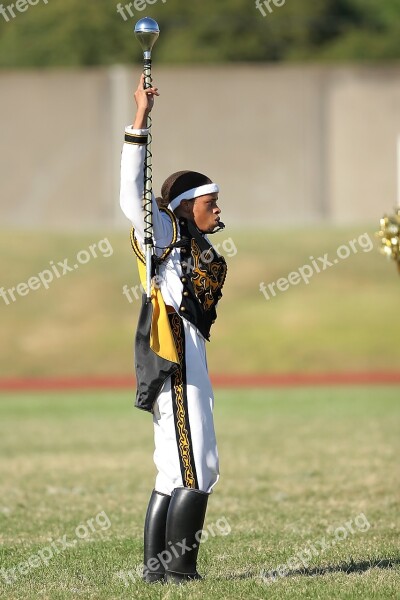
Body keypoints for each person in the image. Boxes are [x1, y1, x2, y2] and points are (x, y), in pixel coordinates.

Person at [119, 74, 227, 584]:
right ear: (186, 204)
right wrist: (140, 121)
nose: (218, 209)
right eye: (211, 201)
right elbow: (132, 192)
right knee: (199, 467)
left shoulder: (187, 238)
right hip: (175, 354)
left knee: (173, 470)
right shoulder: (161, 230)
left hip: (189, 353)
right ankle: (181, 574)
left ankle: (156, 573)